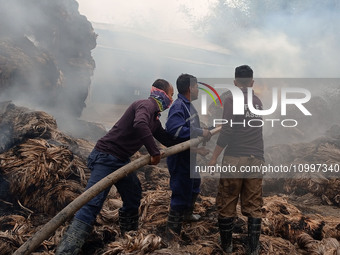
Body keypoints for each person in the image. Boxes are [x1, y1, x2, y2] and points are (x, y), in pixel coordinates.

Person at [56, 79, 179, 254]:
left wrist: (192, 140)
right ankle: (67, 250)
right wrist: (154, 151)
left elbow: (167, 139)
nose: (171, 99)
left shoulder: (155, 119)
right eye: (171, 94)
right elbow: (140, 124)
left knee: (133, 194)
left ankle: (128, 236)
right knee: (92, 202)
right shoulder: (146, 105)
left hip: (120, 160)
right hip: (106, 156)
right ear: (161, 93)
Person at [208, 65, 264, 255]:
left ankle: (227, 247)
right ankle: (253, 249)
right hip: (256, 158)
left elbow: (228, 132)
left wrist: (214, 157)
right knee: (254, 205)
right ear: (252, 82)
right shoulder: (257, 102)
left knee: (227, 201)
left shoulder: (232, 101)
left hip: (235, 159)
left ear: (234, 82)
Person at [165, 74, 211, 236]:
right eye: (197, 87)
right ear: (190, 88)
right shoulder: (179, 107)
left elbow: (191, 129)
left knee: (194, 182)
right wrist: (200, 132)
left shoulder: (188, 106)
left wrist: (204, 133)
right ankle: (171, 233)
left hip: (188, 157)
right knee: (181, 191)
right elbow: (175, 131)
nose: (198, 90)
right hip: (180, 158)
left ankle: (187, 214)